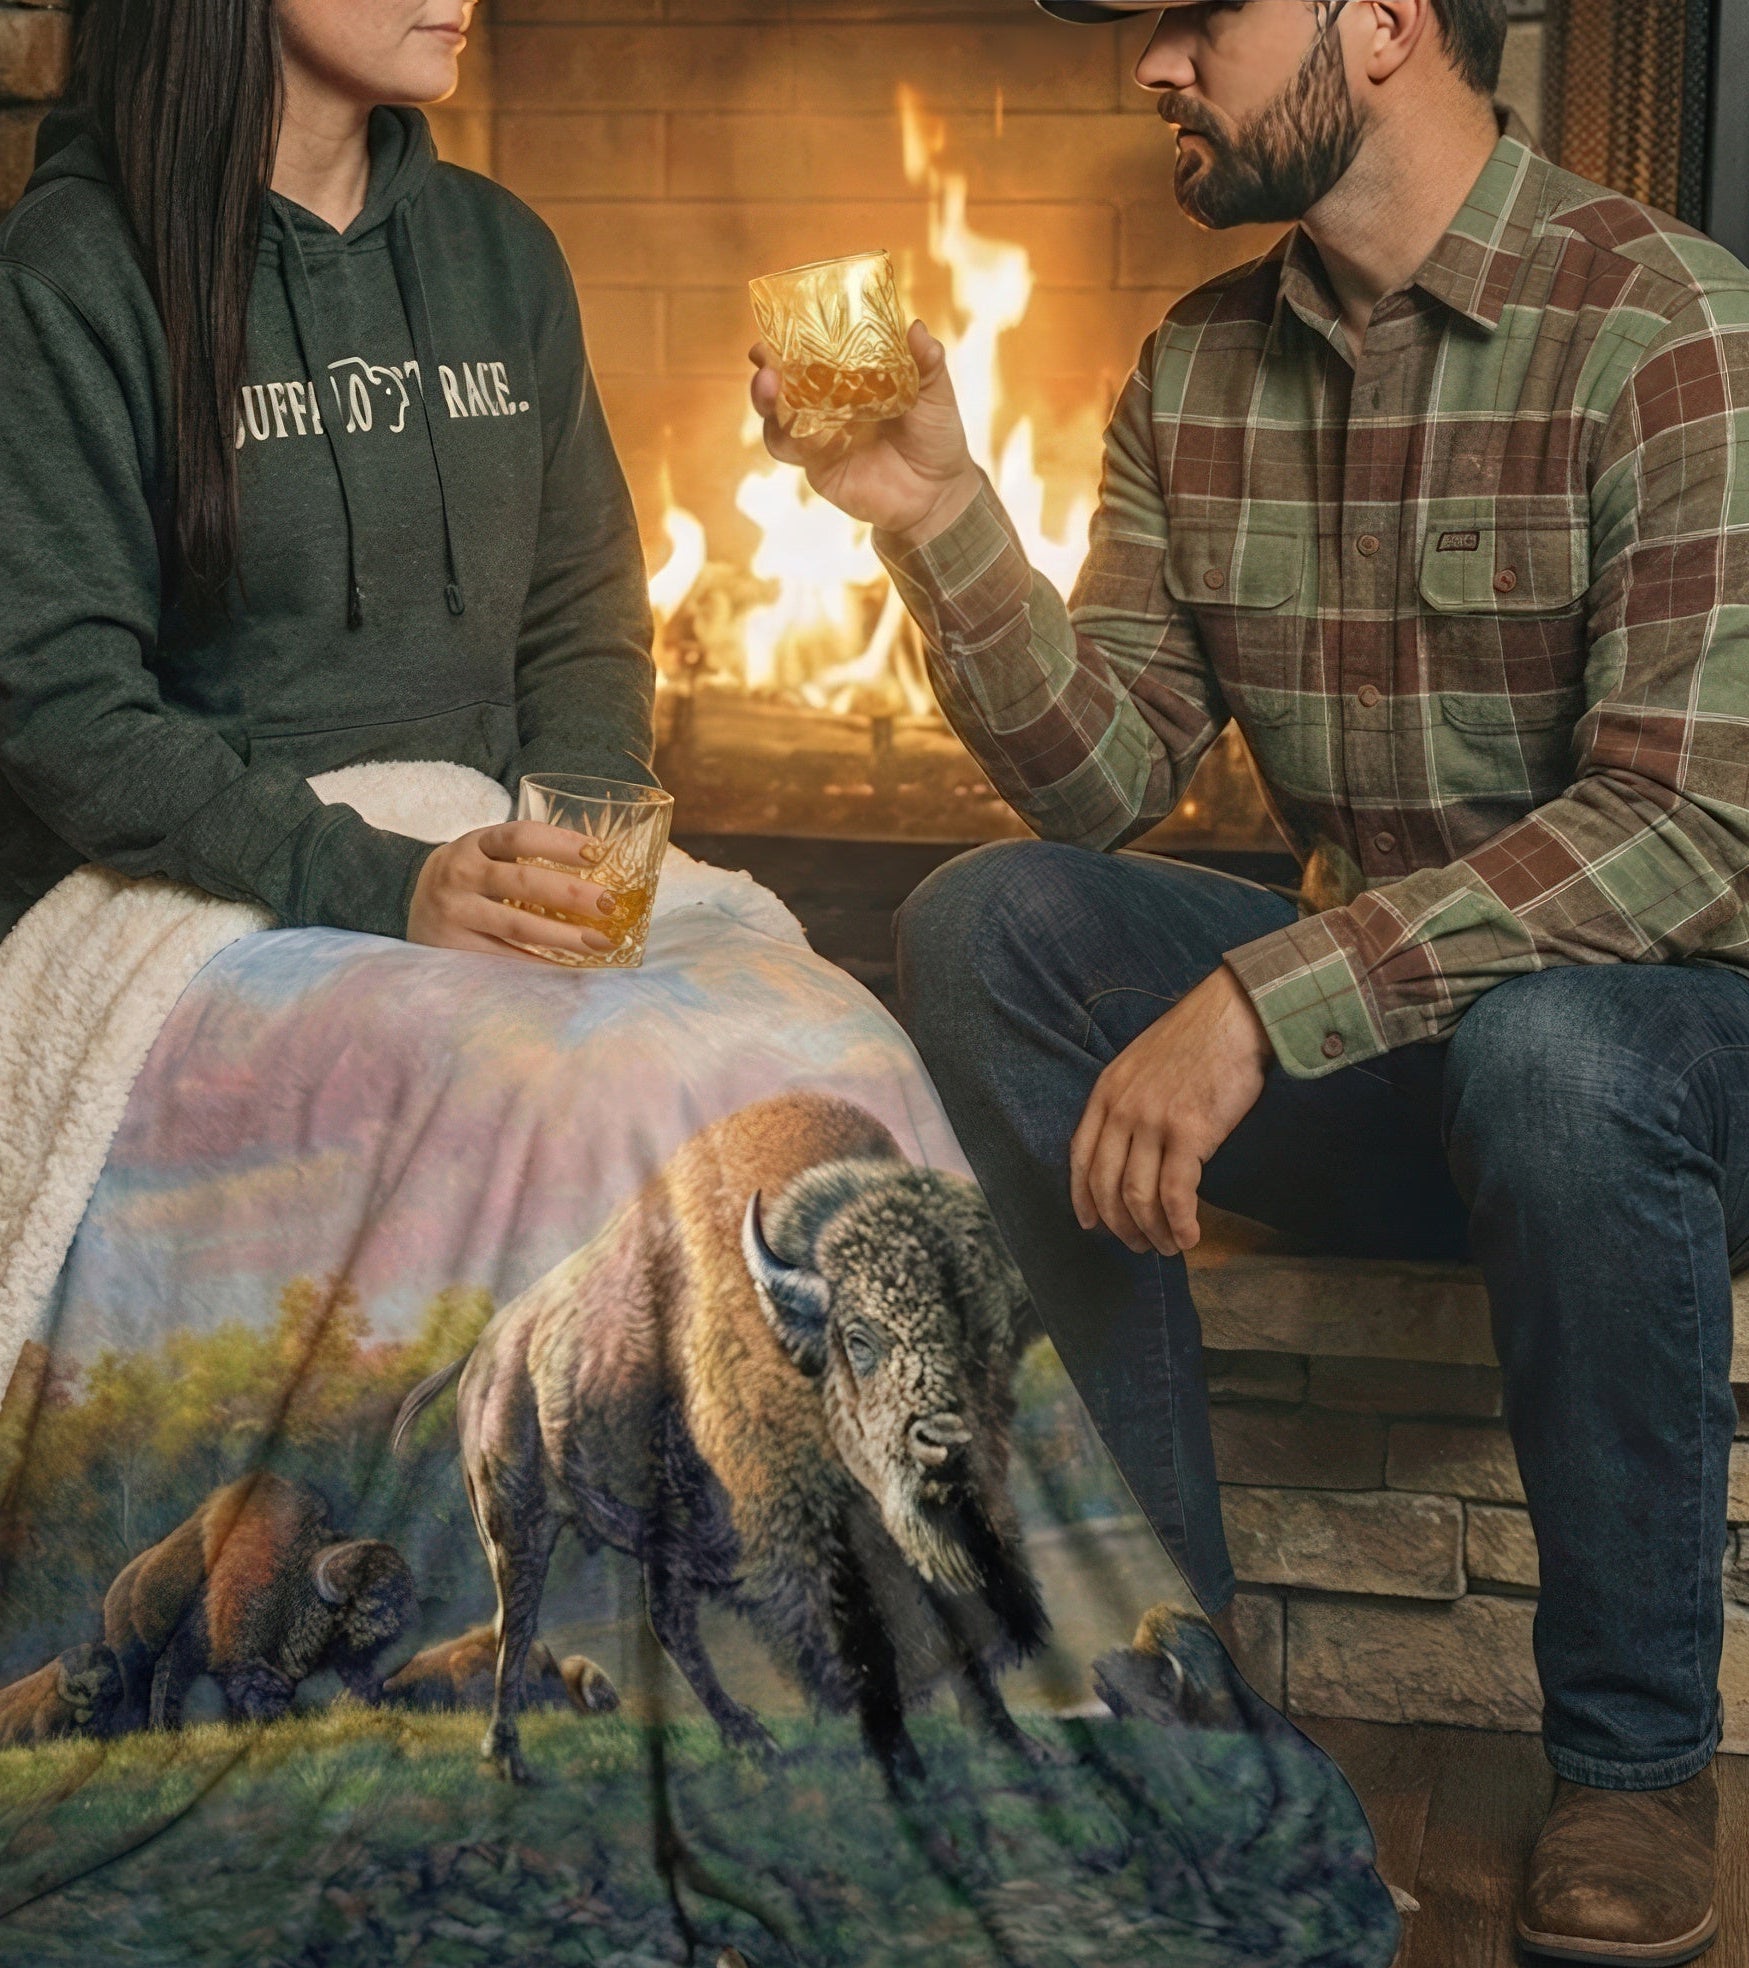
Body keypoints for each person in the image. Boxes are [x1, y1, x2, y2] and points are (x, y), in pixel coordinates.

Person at [750, 1, 1749, 1961]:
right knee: (984, 918)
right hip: (1394, 1062)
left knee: (1553, 1051)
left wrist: (1260, 1002)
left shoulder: (1663, 329)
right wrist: (942, 517)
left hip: (1665, 1062)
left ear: (1381, 22)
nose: (1152, 67)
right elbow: (1102, 786)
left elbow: (1687, 827)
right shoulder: (1195, 368)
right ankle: (1175, 1704)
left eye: (1196, 18)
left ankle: (1632, 1760)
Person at [0, 0, 655, 964]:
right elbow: (64, 706)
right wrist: (379, 884)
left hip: (475, 867)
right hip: (201, 898)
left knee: (795, 1054)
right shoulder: (67, 274)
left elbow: (582, 611)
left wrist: (572, 856)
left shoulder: (502, 251)